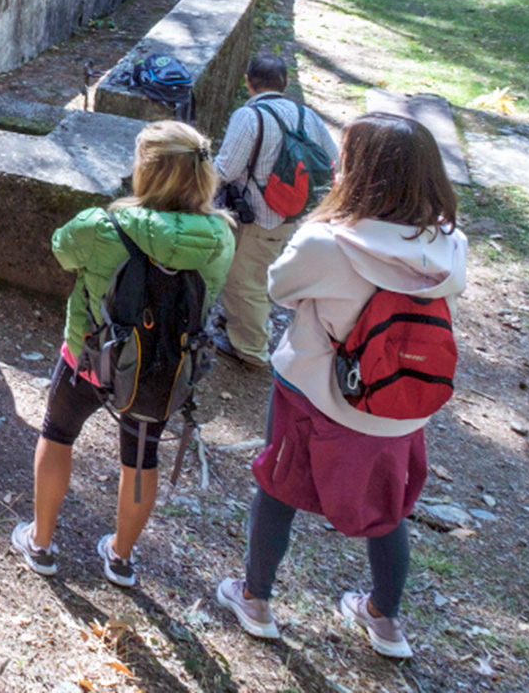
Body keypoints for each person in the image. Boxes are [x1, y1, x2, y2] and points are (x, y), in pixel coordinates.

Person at [214, 114, 467, 661]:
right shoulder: (452, 246)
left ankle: (255, 599)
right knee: (388, 509)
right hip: (400, 405)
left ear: (360, 172)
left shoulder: (327, 242)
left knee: (278, 487)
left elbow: (279, 289)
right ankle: (385, 619)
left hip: (315, 394)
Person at [10, 121, 233, 588]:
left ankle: (41, 542)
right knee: (141, 459)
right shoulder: (221, 238)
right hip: (162, 371)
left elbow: (61, 250)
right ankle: (120, 557)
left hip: (91, 359)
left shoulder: (102, 226)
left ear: (146, 171)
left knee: (58, 433)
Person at [211, 53, 340, 368]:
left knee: (244, 283)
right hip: (291, 213)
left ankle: (251, 349)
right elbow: (332, 158)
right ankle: (242, 323)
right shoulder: (306, 115)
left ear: (247, 81)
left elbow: (226, 170)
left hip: (259, 217)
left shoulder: (249, 116)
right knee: (261, 273)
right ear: (286, 82)